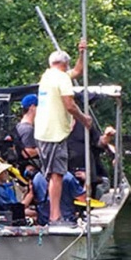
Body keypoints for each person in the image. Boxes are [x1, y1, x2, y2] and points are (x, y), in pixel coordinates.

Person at [33, 40, 92, 224]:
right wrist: (84, 119)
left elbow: (77, 72)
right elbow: (69, 104)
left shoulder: (48, 76)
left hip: (42, 132)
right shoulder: (61, 78)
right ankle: (55, 216)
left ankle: (53, 215)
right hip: (54, 133)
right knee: (57, 175)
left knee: (53, 174)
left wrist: (81, 54)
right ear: (64, 64)